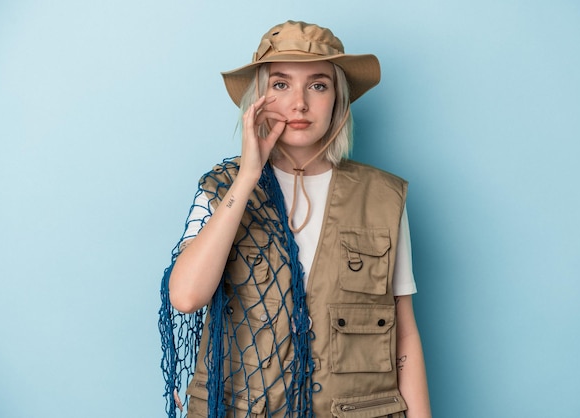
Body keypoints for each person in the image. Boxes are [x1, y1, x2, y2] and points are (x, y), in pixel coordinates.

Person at [160, 20, 432, 418]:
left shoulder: (383, 197)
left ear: (338, 99)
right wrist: (250, 174)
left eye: (318, 85)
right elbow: (185, 297)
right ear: (259, 98)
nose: (299, 103)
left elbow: (404, 333)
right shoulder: (222, 187)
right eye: (281, 84)